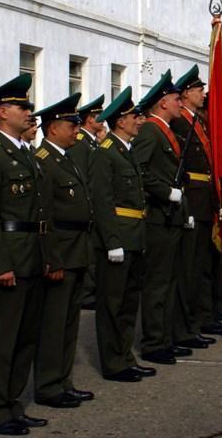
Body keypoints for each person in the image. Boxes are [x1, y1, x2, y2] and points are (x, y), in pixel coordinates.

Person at [0, 73, 49, 435]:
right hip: (9, 257)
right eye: (23, 107)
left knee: (25, 336)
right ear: (3, 111)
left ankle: (13, 403)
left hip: (31, 254)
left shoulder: (24, 151)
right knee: (2, 339)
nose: (29, 113)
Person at [31, 93, 96, 409]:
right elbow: (44, 217)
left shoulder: (66, 157)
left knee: (70, 321)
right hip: (60, 252)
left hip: (77, 250)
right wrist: (52, 259)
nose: (77, 131)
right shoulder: (43, 161)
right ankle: (47, 385)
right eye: (73, 125)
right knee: (53, 323)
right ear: (55, 127)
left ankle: (62, 380)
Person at [134, 71, 199, 364]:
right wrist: (164, 192)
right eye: (175, 99)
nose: (178, 103)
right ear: (162, 103)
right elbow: (139, 171)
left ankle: (165, 338)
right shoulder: (150, 131)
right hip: (158, 216)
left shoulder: (166, 130)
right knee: (158, 283)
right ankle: (153, 343)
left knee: (171, 280)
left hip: (172, 215)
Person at [89, 87, 152, 383]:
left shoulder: (125, 150)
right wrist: (112, 241)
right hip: (117, 239)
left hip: (135, 236)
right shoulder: (105, 153)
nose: (139, 121)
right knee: (113, 304)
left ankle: (125, 356)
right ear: (120, 121)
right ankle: (113, 363)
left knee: (128, 303)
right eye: (133, 116)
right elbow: (102, 201)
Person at [169, 65, 222, 342]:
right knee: (191, 267)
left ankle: (202, 315)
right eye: (199, 90)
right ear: (187, 93)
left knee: (203, 262)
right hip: (193, 200)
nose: (204, 94)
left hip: (205, 200)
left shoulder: (196, 121)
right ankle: (191, 321)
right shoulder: (181, 123)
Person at [67, 94, 105, 311]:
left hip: (93, 202)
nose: (103, 119)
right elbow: (82, 176)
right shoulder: (81, 143)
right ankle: (87, 293)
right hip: (87, 204)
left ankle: (90, 290)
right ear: (90, 119)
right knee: (89, 252)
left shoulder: (90, 142)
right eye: (99, 116)